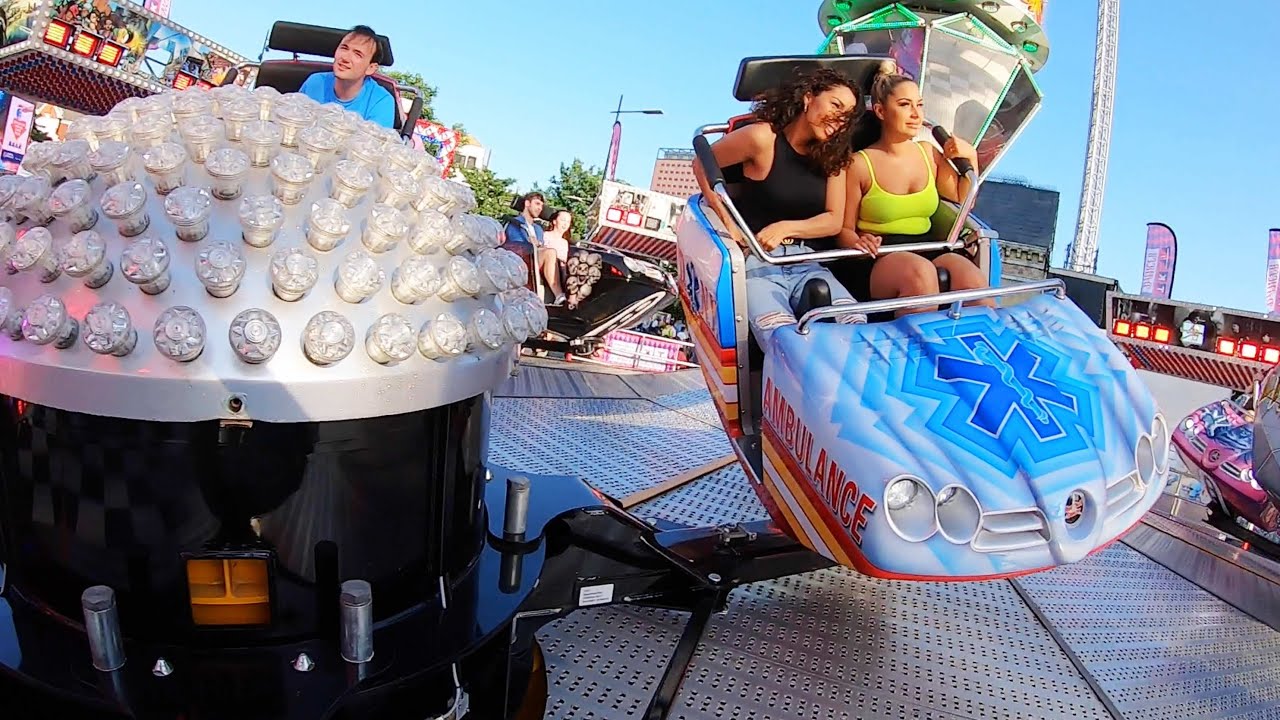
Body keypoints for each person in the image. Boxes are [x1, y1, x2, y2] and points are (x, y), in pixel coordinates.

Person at [692, 67, 865, 347]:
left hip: (807, 261)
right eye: (835, 105)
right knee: (782, 339)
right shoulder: (762, 139)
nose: (839, 118)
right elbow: (702, 163)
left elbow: (834, 220)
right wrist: (730, 225)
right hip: (758, 261)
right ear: (808, 98)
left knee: (855, 325)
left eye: (847, 115)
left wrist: (785, 227)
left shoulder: (834, 158)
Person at [838, 72, 988, 316]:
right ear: (880, 111)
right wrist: (858, 241)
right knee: (920, 276)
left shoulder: (928, 153)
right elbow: (843, 230)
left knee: (973, 281)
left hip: (929, 245)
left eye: (919, 105)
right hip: (879, 254)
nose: (916, 115)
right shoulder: (859, 164)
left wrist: (971, 158)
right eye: (905, 105)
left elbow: (964, 201)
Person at [299, 25, 396, 129]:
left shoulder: (381, 101)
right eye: (344, 48)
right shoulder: (314, 82)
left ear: (371, 68)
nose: (345, 58)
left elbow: (375, 143)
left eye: (357, 54)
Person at [504, 192, 566, 304]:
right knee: (550, 252)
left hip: (534, 260)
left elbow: (540, 246)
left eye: (541, 206)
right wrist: (531, 243)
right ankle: (559, 294)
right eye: (537, 204)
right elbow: (515, 246)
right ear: (527, 203)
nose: (539, 208)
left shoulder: (538, 229)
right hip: (520, 261)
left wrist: (537, 245)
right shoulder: (514, 223)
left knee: (556, 257)